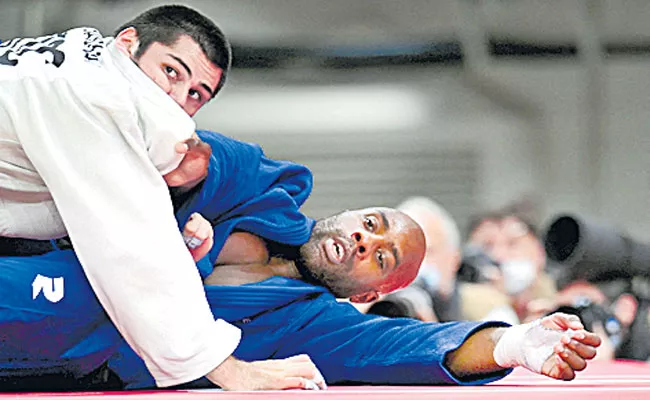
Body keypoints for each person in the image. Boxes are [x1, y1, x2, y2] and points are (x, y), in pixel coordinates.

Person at [0, 130, 600, 390]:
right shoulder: (263, 189)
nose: (366, 240)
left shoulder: (318, 326)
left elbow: (414, 347)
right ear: (349, 212)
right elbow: (195, 152)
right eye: (371, 223)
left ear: (367, 293)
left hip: (67, 348)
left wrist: (514, 346)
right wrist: (179, 186)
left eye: (380, 256)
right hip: (36, 269)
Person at [0, 5, 321, 390]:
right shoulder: (96, 97)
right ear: (128, 42)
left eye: (194, 95)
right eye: (171, 71)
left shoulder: (78, 59)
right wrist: (229, 370)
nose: (174, 98)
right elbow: (131, 247)